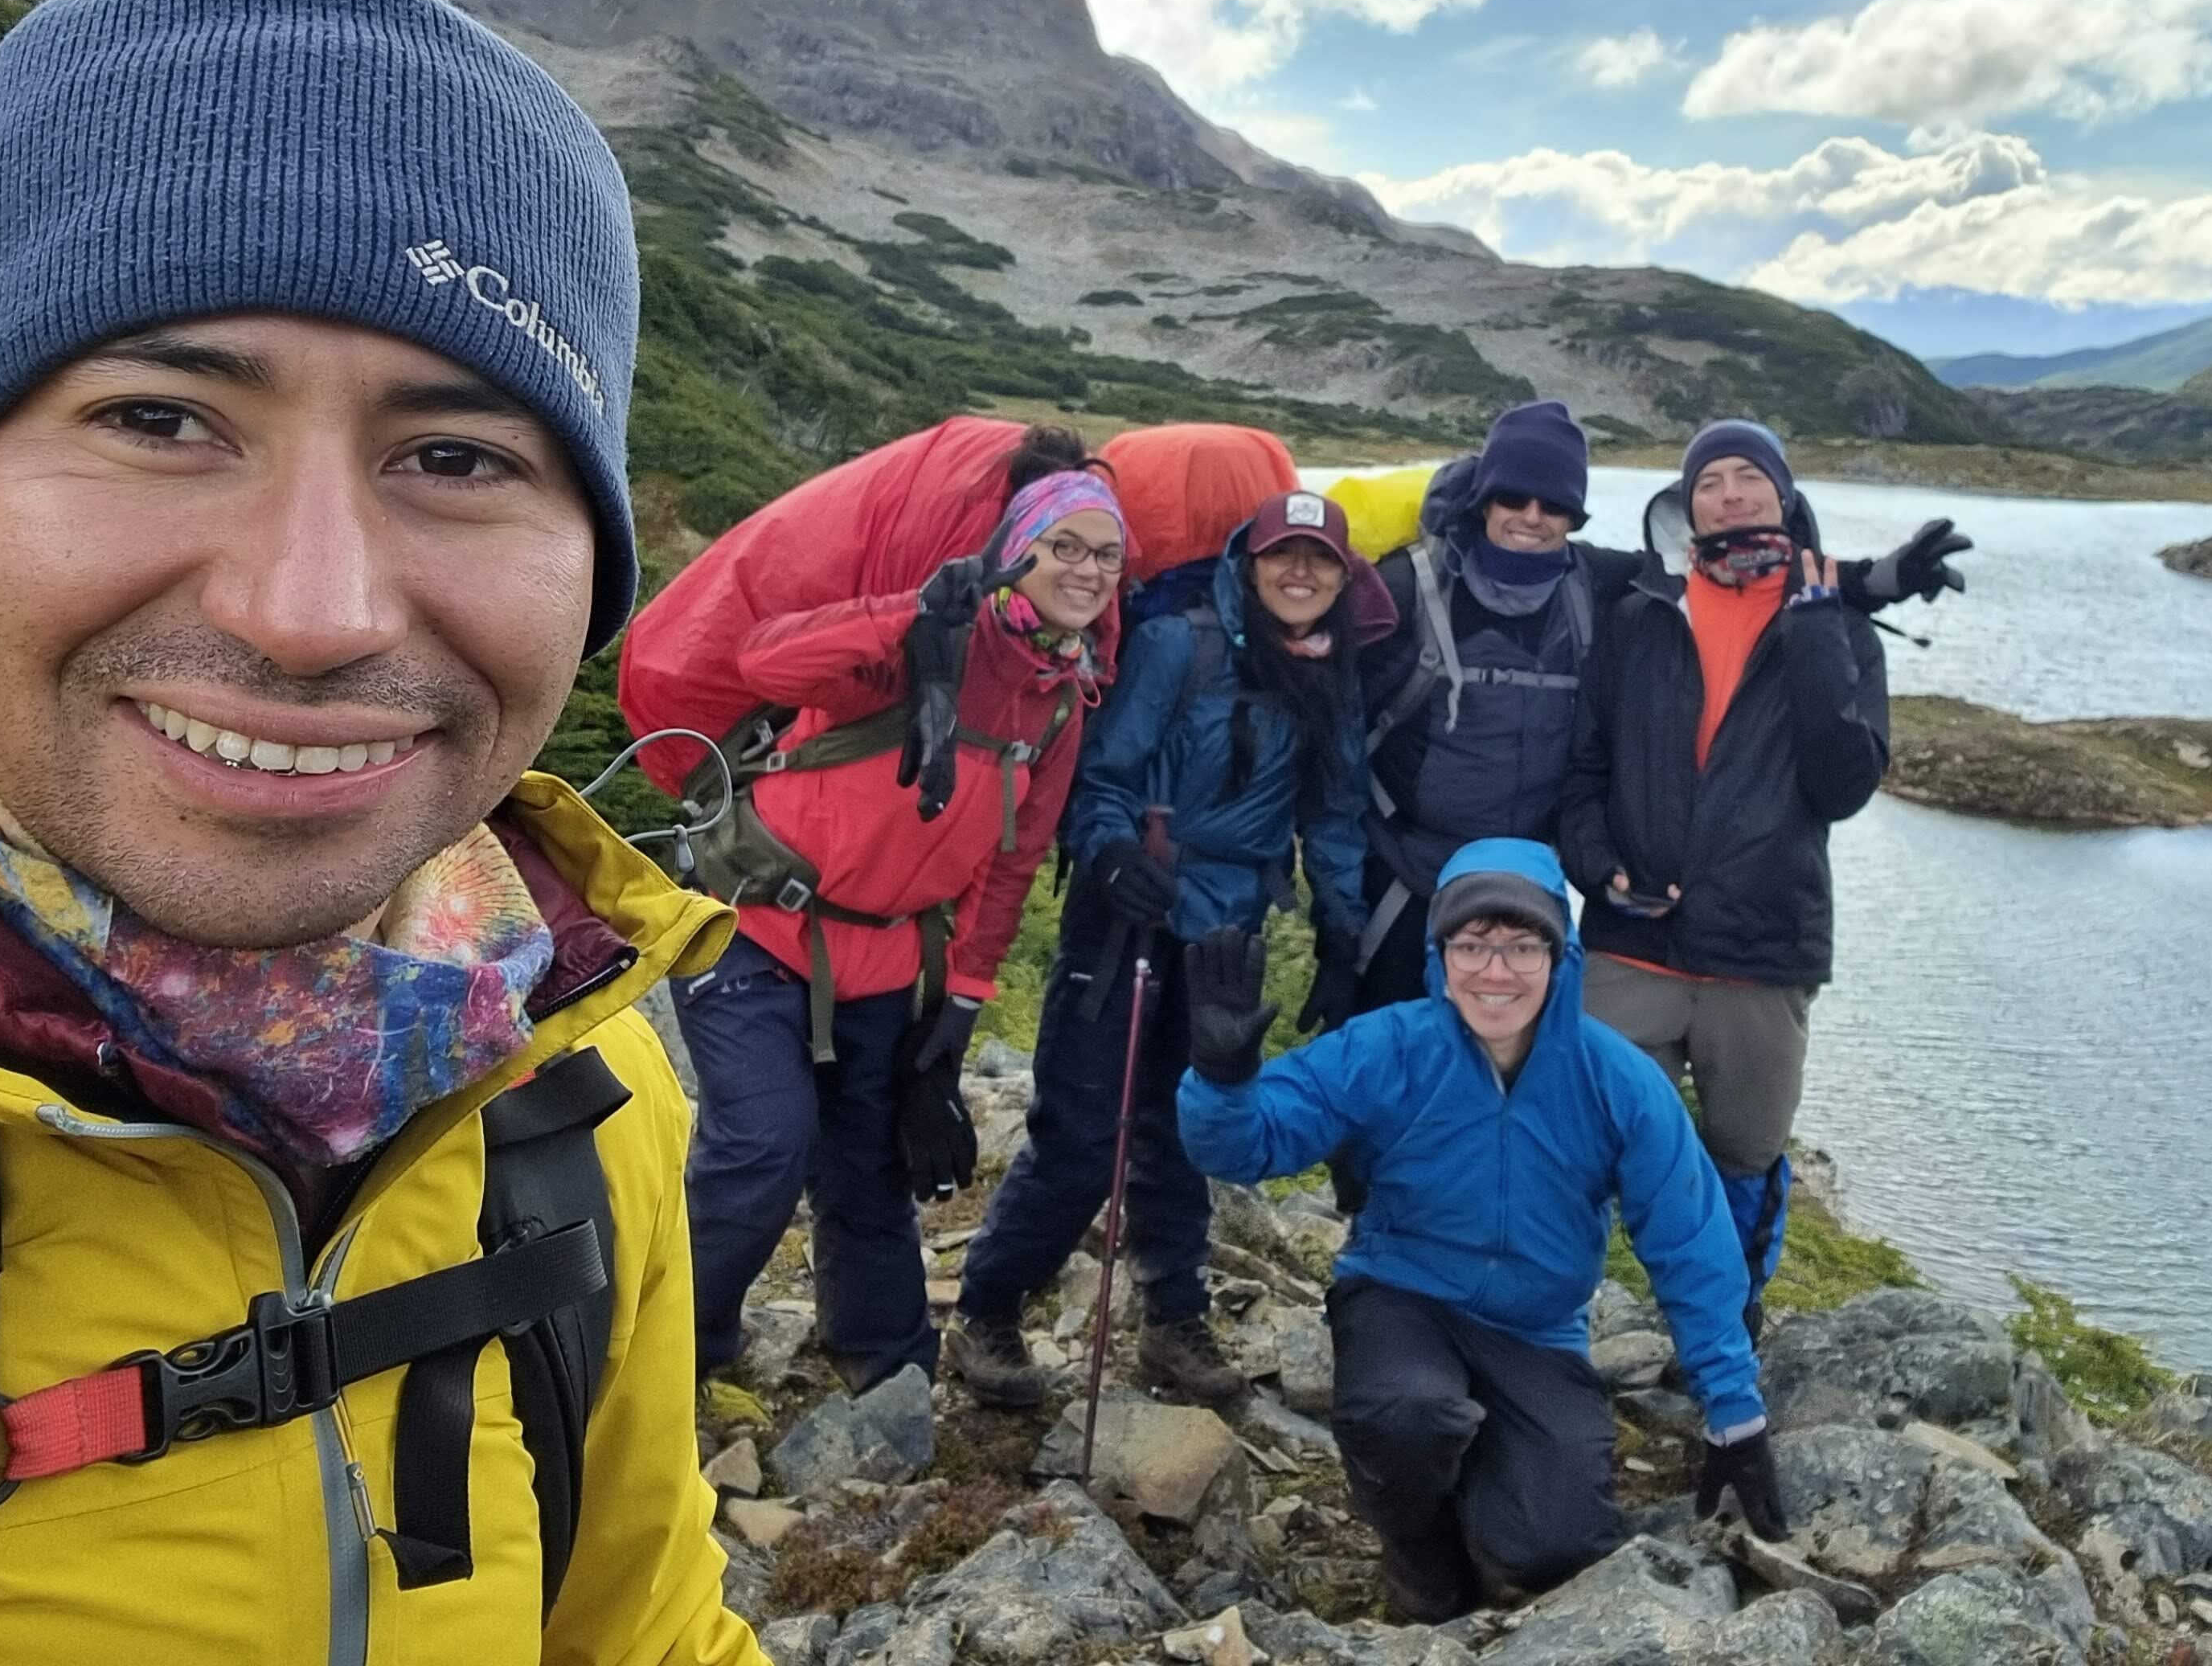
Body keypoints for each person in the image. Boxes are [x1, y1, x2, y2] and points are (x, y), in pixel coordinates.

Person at [0, 0, 762, 1660]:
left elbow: (643, 1622)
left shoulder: (578, 1067)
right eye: (159, 418)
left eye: (458, 458)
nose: (307, 612)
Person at [1176, 840, 1785, 1623]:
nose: (1495, 971)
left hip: (1537, 1329)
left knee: (1557, 1547)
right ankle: (1422, 1560)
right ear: (1440, 952)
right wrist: (1223, 1082)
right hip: (1402, 1295)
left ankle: (1479, 1475)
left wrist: (1736, 1416)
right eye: (1472, 944)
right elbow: (1248, 1145)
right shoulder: (1389, 1047)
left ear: (1560, 956)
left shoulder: (1615, 1079)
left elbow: (1690, 1246)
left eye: (1522, 945)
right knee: (1407, 1411)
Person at [666, 465, 1120, 1405]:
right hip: (750, 923)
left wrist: (961, 1005)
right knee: (762, 1145)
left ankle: (885, 1360)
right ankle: (675, 1346)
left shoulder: (1063, 696)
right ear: (1015, 548)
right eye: (1065, 545)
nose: (1088, 569)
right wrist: (911, 615)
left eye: (1108, 554)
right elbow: (768, 663)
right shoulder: (924, 638)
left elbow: (1012, 861)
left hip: (882, 959)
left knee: (870, 1160)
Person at [950, 491, 1370, 1410]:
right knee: (1082, 1131)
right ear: (1247, 563)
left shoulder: (1332, 673)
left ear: (1342, 579)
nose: (1301, 574)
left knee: (1190, 1129)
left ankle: (1172, 1319)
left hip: (1229, 931)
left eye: (1321, 561)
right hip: (1130, 913)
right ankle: (986, 1308)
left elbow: (1334, 816)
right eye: (1283, 555)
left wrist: (1346, 933)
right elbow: (1104, 769)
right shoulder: (1183, 643)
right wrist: (1104, 855)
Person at [1346, 400, 1965, 1019]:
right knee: (1374, 1063)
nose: (1532, 518)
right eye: (1513, 497)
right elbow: (1326, 722)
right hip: (1405, 880)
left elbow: (1730, 567)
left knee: (1501, 1080)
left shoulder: (1592, 584)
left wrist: (1871, 581)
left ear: (1575, 516)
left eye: (1554, 504)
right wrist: (1335, 903)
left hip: (1525, 885)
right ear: (1485, 499)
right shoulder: (1406, 589)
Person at [1562, 420, 1890, 1354]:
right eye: (1712, 481)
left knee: (1744, 1155)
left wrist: (1820, 630)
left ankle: (1724, 1334)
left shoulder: (1842, 625)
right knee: (1599, 1143)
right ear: (1687, 505)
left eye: (1752, 477)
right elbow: (1582, 770)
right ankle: (1552, 1330)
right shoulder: (1640, 614)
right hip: (1634, 945)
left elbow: (1845, 786)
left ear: (1784, 497)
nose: (1732, 493)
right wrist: (1598, 866)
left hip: (1762, 951)